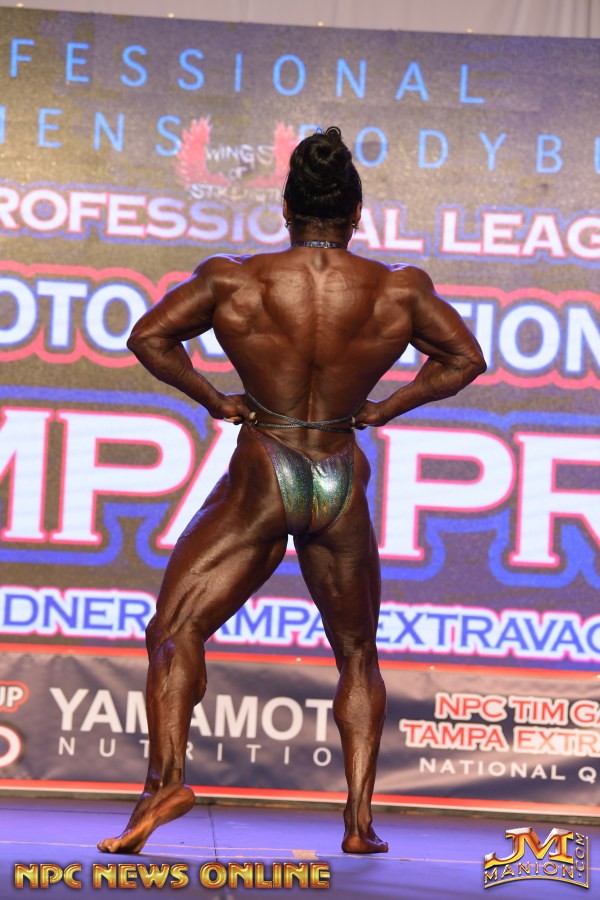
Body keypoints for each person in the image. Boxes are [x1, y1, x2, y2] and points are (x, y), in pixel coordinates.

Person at [98, 126, 486, 856]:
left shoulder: (235, 281)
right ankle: (359, 822)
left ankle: (167, 782)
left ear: (285, 207)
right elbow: (465, 358)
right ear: (357, 212)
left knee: (175, 630)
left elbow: (149, 337)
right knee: (358, 652)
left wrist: (216, 399)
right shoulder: (399, 289)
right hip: (338, 468)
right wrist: (385, 407)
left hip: (265, 468)